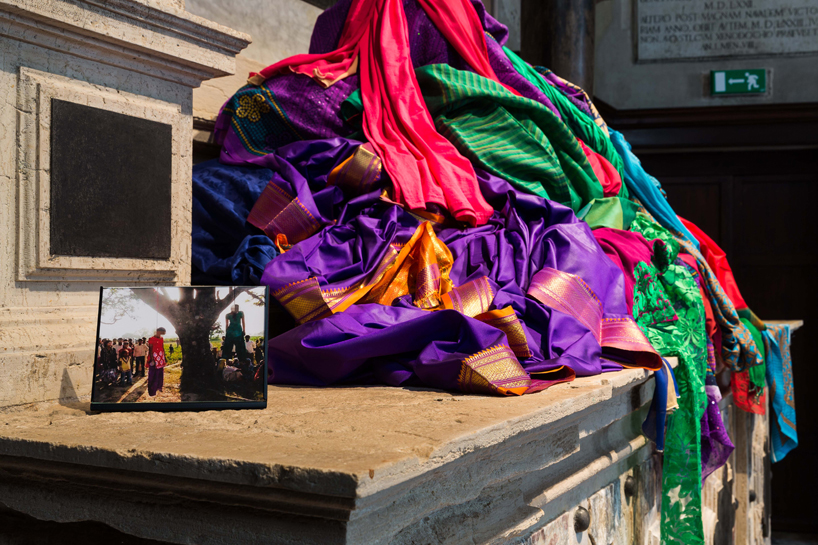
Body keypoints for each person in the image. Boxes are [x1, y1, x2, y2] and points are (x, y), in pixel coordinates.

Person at [146, 327, 168, 397]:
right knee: (153, 374)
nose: (162, 334)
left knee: (160, 373)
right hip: (154, 357)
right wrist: (152, 359)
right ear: (158, 331)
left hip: (161, 357)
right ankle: (152, 390)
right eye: (162, 332)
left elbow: (162, 347)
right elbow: (150, 349)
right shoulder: (151, 339)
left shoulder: (161, 339)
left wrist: (165, 357)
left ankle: (159, 387)